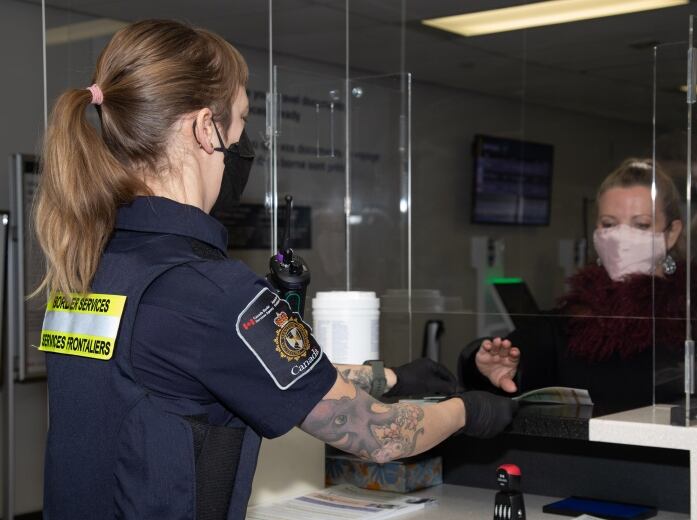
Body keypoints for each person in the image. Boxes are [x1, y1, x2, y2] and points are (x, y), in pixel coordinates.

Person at [34, 20, 517, 520]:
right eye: (241, 122)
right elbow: (378, 435)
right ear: (205, 128)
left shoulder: (90, 265)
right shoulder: (211, 291)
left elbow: (206, 367)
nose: (244, 147)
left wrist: (389, 377)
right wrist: (473, 411)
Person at [459, 158, 697, 409]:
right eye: (609, 224)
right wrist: (484, 366)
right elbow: (512, 361)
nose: (621, 237)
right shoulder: (571, 322)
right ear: (596, 231)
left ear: (672, 233)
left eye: (641, 225)